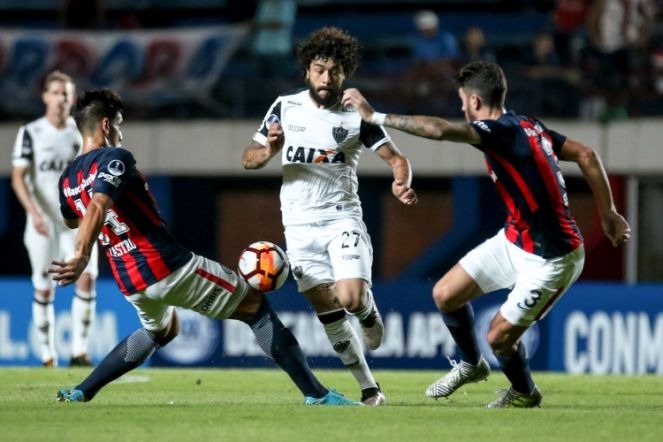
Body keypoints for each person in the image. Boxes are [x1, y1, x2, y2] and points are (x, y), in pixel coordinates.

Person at [342, 61, 631, 408]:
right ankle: (470, 364)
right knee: (446, 294)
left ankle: (524, 393)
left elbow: (439, 130)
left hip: (553, 258)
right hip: (514, 239)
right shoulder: (527, 124)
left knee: (498, 338)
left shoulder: (500, 131)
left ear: (475, 102)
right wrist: (609, 212)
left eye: (463, 101)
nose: (461, 108)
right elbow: (586, 154)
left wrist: (374, 116)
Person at [50, 88, 358, 406]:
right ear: (105, 125)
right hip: (164, 265)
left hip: (129, 279)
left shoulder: (68, 179)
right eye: (119, 123)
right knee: (255, 307)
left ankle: (81, 391)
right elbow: (99, 204)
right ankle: (316, 394)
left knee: (161, 331)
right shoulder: (116, 158)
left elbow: (75, 219)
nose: (120, 131)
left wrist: (94, 227)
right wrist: (81, 255)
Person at [242, 26, 418, 406]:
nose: (326, 77)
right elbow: (248, 160)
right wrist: (271, 150)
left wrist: (400, 182)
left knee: (351, 298)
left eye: (335, 70)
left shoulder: (357, 115)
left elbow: (397, 159)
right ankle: (369, 387)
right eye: (319, 69)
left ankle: (368, 313)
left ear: (345, 74)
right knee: (328, 309)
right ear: (307, 70)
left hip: (341, 219)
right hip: (299, 227)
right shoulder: (284, 107)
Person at [11, 70, 98, 368]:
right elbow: (18, 177)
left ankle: (79, 352)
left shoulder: (80, 133)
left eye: (67, 93)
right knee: (43, 287)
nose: (62, 98)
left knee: (86, 279)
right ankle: (48, 355)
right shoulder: (31, 132)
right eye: (57, 92)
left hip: (77, 222)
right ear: (45, 96)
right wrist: (34, 212)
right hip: (43, 224)